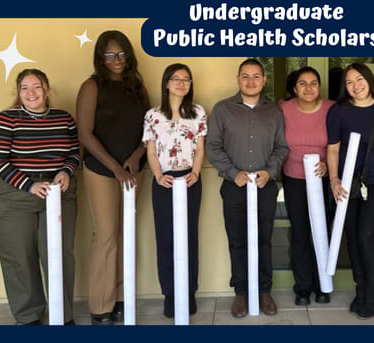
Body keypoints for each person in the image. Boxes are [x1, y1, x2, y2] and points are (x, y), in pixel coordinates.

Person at [0, 69, 79, 325]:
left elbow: (74, 152)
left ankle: (62, 316)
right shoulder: (7, 118)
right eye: (24, 88)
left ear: (47, 89)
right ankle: (29, 318)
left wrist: (67, 171)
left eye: (37, 86)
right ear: (18, 92)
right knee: (20, 257)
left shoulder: (64, 118)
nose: (31, 93)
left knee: (59, 254)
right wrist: (29, 185)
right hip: (12, 194)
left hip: (58, 192)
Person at [76, 30, 150, 325]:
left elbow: (150, 128)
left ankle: (120, 298)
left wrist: (134, 157)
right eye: (109, 55)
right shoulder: (91, 86)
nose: (116, 59)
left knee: (125, 233)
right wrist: (116, 167)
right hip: (102, 170)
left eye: (121, 54)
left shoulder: (137, 87)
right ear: (100, 58)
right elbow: (85, 133)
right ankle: (100, 306)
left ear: (128, 55)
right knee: (106, 234)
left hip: (135, 169)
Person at [206, 58, 289, 318]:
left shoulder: (274, 112)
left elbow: (281, 147)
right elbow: (212, 147)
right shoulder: (222, 110)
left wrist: (270, 171)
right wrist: (234, 173)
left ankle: (264, 291)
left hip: (264, 186)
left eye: (256, 76)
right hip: (234, 187)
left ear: (263, 80)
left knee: (263, 240)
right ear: (238, 79)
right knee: (238, 240)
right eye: (245, 76)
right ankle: (241, 292)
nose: (251, 81)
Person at [327, 63, 374, 318]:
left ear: (369, 80)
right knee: (352, 237)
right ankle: (361, 288)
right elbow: (333, 149)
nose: (355, 86)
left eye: (359, 79)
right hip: (347, 184)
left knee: (367, 235)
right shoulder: (339, 112)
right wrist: (334, 179)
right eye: (349, 82)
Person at [142, 63, 207, 318]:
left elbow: (200, 148)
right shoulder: (153, 115)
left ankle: (189, 291)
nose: (182, 83)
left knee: (189, 236)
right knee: (166, 238)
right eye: (176, 79)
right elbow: (150, 150)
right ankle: (169, 293)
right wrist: (158, 175)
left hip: (190, 179)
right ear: (166, 83)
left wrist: (196, 172)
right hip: (163, 182)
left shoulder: (198, 112)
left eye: (186, 79)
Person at [279, 67, 335, 306]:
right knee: (300, 233)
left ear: (319, 86)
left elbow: (340, 143)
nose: (309, 88)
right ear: (295, 88)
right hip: (293, 178)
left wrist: (329, 166)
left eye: (313, 83)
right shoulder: (284, 109)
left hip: (323, 179)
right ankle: (302, 287)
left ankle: (322, 284)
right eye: (303, 83)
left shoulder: (332, 109)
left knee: (322, 233)